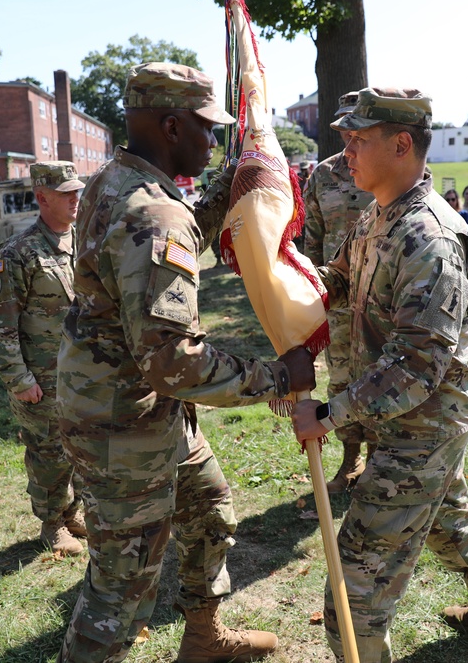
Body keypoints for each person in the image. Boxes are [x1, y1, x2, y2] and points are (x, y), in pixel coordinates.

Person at [55, 62, 315, 663]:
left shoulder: (117, 181)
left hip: (133, 409)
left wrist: (230, 187)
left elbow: (169, 240)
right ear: (171, 126)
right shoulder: (153, 212)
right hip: (124, 424)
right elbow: (173, 363)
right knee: (120, 584)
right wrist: (279, 375)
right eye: (206, 129)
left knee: (208, 510)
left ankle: (203, 638)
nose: (215, 141)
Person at [292, 87, 468, 663]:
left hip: (424, 423)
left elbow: (418, 365)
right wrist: (286, 283)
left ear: (401, 144)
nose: (345, 150)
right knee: (446, 516)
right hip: (399, 412)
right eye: (344, 138)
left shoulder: (430, 239)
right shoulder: (379, 214)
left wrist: (328, 415)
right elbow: (338, 279)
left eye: (358, 139)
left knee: (354, 586)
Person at [0, 161, 87, 557]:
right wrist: (19, 380)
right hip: (42, 379)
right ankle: (52, 523)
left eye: (78, 191)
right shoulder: (17, 253)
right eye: (66, 193)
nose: (76, 198)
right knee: (49, 453)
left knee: (79, 448)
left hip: (84, 375)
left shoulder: (83, 243)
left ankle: (72, 512)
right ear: (42, 197)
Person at [303, 89, 378, 494]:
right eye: (344, 128)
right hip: (337, 298)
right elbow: (311, 240)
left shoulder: (388, 171)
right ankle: (350, 459)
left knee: (380, 378)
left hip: (382, 300)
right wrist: (314, 291)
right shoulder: (324, 174)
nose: (351, 137)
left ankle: (380, 462)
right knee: (342, 380)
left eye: (359, 127)